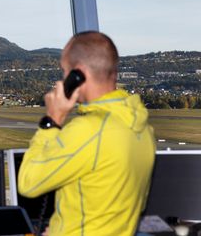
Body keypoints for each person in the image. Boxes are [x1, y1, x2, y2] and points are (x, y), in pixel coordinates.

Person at [18, 31, 156, 236]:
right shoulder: (143, 129)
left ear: (78, 74)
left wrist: (52, 120)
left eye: (65, 72)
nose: (64, 79)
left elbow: (29, 182)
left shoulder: (88, 130)